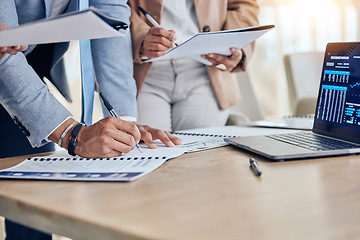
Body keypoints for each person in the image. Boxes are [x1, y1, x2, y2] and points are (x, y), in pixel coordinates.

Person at [0, 0, 181, 239]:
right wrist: (72, 135)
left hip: (27, 73)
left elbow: (111, 22)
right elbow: (3, 47)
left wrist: (124, 125)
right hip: (10, 67)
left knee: (32, 210)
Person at [128, 0, 260, 132]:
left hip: (206, 70)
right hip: (142, 73)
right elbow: (114, 6)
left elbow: (244, 4)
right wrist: (140, 36)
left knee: (202, 147)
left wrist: (235, 44)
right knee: (147, 147)